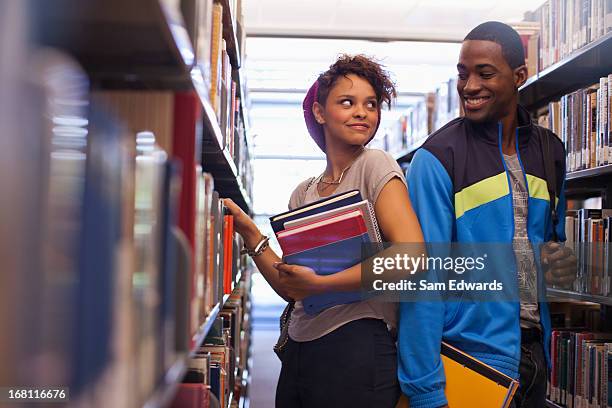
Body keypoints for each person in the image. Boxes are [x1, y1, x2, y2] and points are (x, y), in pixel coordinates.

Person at [224, 54, 425, 408]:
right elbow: (292, 288)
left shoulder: (375, 165)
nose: (361, 112)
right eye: (347, 102)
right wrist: (250, 235)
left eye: (371, 104)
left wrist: (323, 284)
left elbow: (411, 255)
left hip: (358, 348)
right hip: (301, 348)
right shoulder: (304, 193)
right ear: (319, 112)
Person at [399, 22, 576, 408]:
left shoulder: (551, 151)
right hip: (469, 360)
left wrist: (556, 264)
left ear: (519, 77)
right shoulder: (437, 158)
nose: (469, 86)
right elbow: (421, 280)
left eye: (485, 73)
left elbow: (550, 247)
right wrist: (425, 391)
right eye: (463, 73)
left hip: (536, 360)